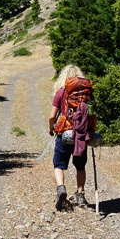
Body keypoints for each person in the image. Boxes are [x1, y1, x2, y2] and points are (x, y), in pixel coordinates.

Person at [48, 63, 96, 210]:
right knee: (80, 166)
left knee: (59, 164)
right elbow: (92, 113)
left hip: (64, 133)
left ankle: (61, 189)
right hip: (81, 135)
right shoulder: (86, 93)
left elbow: (52, 116)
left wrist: (51, 129)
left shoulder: (61, 92)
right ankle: (80, 196)